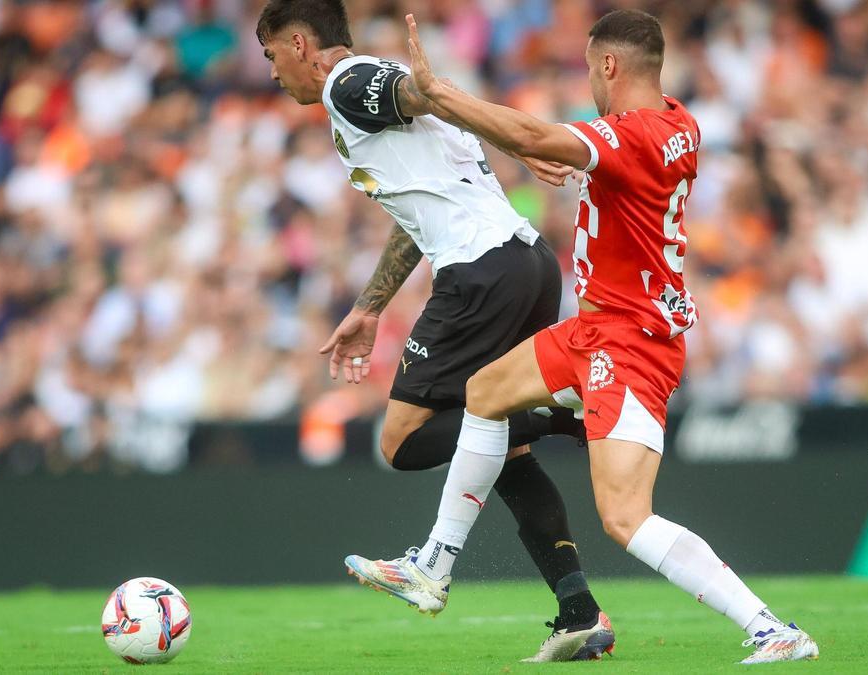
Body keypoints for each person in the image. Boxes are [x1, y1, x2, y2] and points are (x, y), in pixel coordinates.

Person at [345, 9, 820, 665]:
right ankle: (433, 565)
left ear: (609, 65)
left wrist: (440, 92)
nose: (591, 82)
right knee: (485, 391)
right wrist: (538, 148)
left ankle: (771, 627)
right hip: (596, 328)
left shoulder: (638, 135)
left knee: (625, 516)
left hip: (630, 340)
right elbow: (553, 145)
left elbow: (536, 131)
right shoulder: (678, 121)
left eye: (591, 68)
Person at [255, 0, 613, 662]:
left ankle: (562, 408)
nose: (274, 74)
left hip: (479, 274)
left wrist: (423, 87)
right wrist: (369, 306)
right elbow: (415, 207)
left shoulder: (345, 81)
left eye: (273, 56)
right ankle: (580, 611)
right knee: (501, 451)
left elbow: (409, 93)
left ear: (302, 44)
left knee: (402, 441)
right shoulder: (370, 90)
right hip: (526, 263)